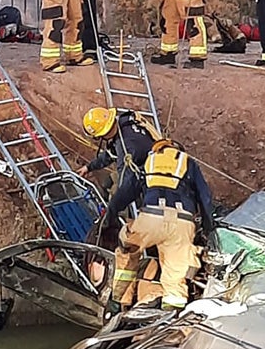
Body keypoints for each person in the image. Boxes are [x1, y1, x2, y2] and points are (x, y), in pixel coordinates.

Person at [102, 138, 216, 311]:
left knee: (128, 251)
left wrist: (110, 218)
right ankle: (171, 316)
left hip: (151, 218)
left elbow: (124, 193)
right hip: (182, 223)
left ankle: (118, 303)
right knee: (175, 277)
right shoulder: (188, 163)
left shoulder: (149, 162)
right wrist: (209, 229)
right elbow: (205, 198)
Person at [78, 107, 161, 179]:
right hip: (158, 154)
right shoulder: (125, 120)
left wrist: (118, 197)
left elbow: (126, 185)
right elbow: (110, 154)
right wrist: (89, 167)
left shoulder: (124, 151)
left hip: (156, 173)